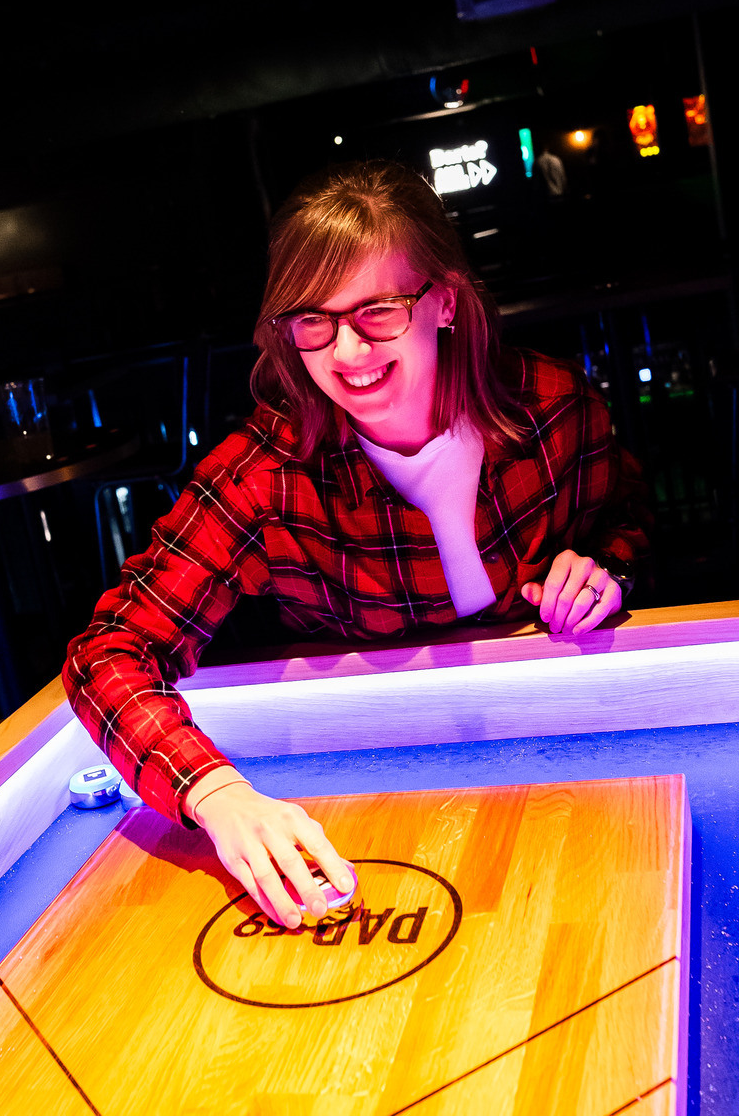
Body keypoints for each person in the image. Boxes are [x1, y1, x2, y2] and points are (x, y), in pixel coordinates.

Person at [64, 159, 650, 931]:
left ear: (444, 302)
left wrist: (606, 569)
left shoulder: (552, 408)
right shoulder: (263, 474)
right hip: (362, 780)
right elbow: (107, 651)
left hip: (561, 756)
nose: (346, 352)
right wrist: (216, 795)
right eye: (313, 319)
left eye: (377, 310)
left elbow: (630, 522)